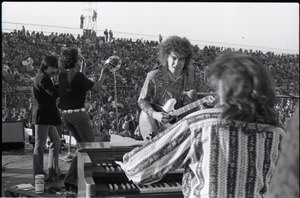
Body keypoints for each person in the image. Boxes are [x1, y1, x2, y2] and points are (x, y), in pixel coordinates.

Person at [118, 52, 286, 198]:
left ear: (225, 86)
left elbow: (139, 169)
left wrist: (127, 160)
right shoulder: (278, 133)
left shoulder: (199, 123)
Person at [137, 35, 210, 140]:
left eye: (181, 59)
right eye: (174, 58)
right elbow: (142, 100)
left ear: (186, 60)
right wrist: (155, 115)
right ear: (166, 57)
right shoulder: (154, 76)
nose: (177, 63)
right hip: (158, 130)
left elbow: (206, 100)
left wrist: (210, 103)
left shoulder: (195, 76)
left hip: (187, 133)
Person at [58, 47, 109, 193]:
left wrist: (83, 65)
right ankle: (75, 179)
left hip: (66, 116)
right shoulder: (78, 76)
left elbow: (79, 79)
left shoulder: (62, 75)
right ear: (75, 60)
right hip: (78, 115)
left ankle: (71, 180)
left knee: (81, 147)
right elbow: (97, 88)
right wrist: (103, 73)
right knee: (89, 146)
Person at [32, 55, 63, 182]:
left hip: (47, 115)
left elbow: (52, 91)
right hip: (42, 115)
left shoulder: (44, 77)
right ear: (45, 66)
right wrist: (62, 84)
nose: (54, 71)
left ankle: (53, 170)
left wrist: (58, 84)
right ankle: (38, 174)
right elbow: (54, 94)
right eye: (52, 68)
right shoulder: (43, 78)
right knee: (40, 145)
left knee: (56, 141)